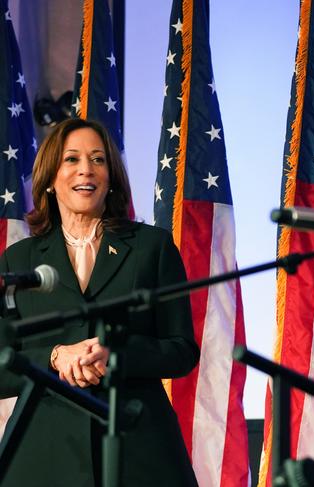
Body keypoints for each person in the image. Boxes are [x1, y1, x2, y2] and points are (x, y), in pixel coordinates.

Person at [0, 118, 200, 486]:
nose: (86, 170)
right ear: (48, 178)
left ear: (111, 178)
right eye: (72, 159)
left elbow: (181, 350)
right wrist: (55, 356)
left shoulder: (151, 248)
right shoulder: (19, 261)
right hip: (43, 452)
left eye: (98, 160)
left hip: (137, 446)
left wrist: (116, 356)